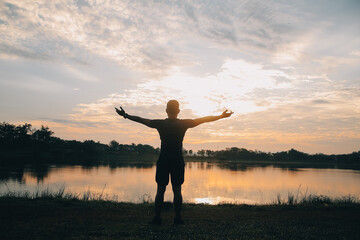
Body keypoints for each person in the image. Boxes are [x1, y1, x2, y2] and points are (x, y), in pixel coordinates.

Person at [115, 100, 233, 225]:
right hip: (177, 160)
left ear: (166, 111)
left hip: (164, 159)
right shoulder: (184, 124)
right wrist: (221, 116)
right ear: (178, 111)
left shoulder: (160, 124)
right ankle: (177, 218)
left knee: (160, 189)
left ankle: (157, 218)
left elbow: (141, 119)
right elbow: (204, 119)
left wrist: (126, 115)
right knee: (177, 190)